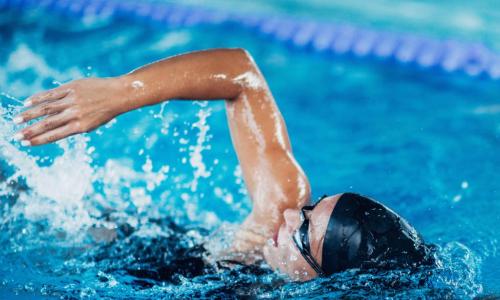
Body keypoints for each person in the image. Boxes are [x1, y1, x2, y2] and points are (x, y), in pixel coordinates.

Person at [11, 48, 433, 281]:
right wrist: (121, 93)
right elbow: (240, 74)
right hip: (114, 241)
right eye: (310, 209)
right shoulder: (277, 214)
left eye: (304, 233)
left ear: (326, 283)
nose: (288, 215)